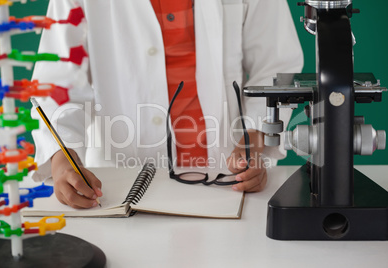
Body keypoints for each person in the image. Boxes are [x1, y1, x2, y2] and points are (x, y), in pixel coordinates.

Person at [31, 0, 303, 209]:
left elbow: (276, 66)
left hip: (226, 180)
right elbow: (57, 83)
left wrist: (253, 142)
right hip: (118, 183)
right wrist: (62, 157)